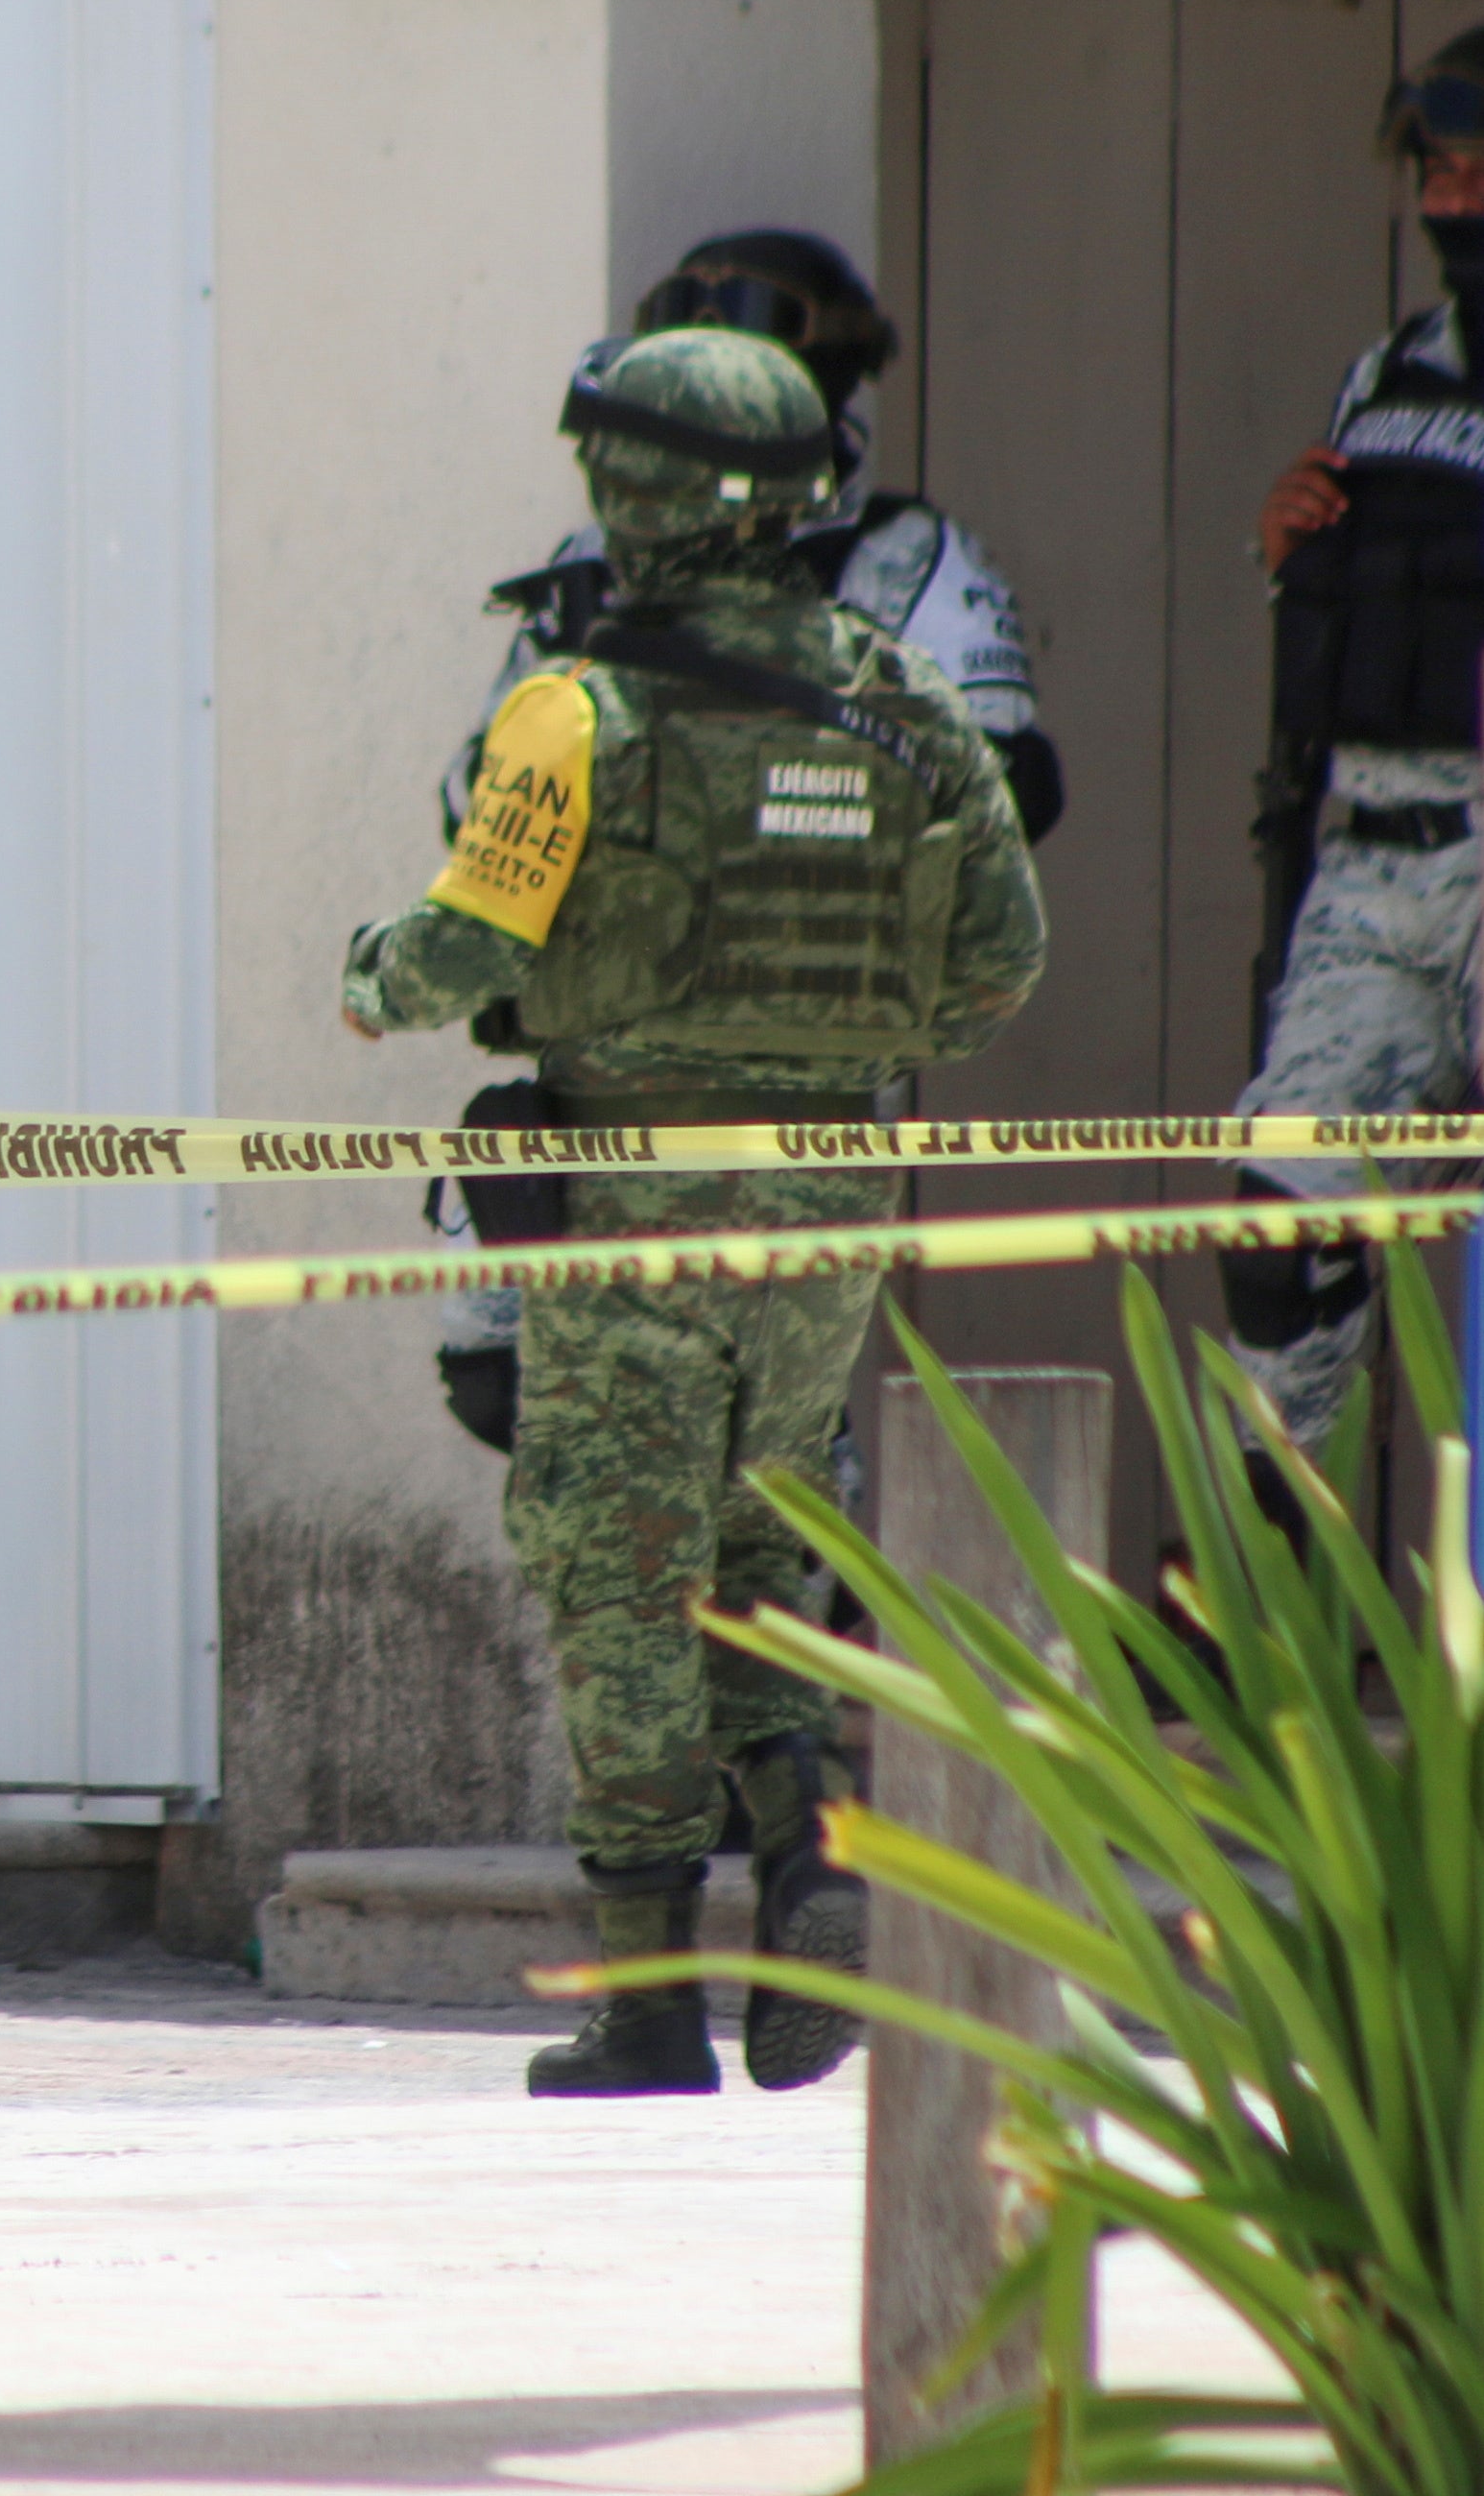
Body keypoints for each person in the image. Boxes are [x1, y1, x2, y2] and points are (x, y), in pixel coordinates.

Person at [346, 327, 1046, 2100]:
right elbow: (1000, 968)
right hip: (832, 1196)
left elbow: (460, 950)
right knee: (753, 1547)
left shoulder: (578, 707)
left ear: (632, 489)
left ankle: (648, 1998)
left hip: (634, 1195)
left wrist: (367, 978)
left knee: (618, 1569)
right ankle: (809, 1844)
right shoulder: (907, 703)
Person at [429, 232, 1059, 1457]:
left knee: (758, 1418)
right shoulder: (589, 571)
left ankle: (802, 1574)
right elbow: (475, 799)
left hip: (793, 1022)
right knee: (502, 1377)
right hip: (599, 1028)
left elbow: (1011, 789)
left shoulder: (901, 559)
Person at [1229, 24, 1484, 1465]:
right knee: (1279, 1221)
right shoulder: (1389, 374)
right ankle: (1278, 1558)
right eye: (1436, 170)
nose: (1451, 201)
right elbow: (1347, 605)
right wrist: (1289, 549)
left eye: (1478, 169)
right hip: (1373, 872)